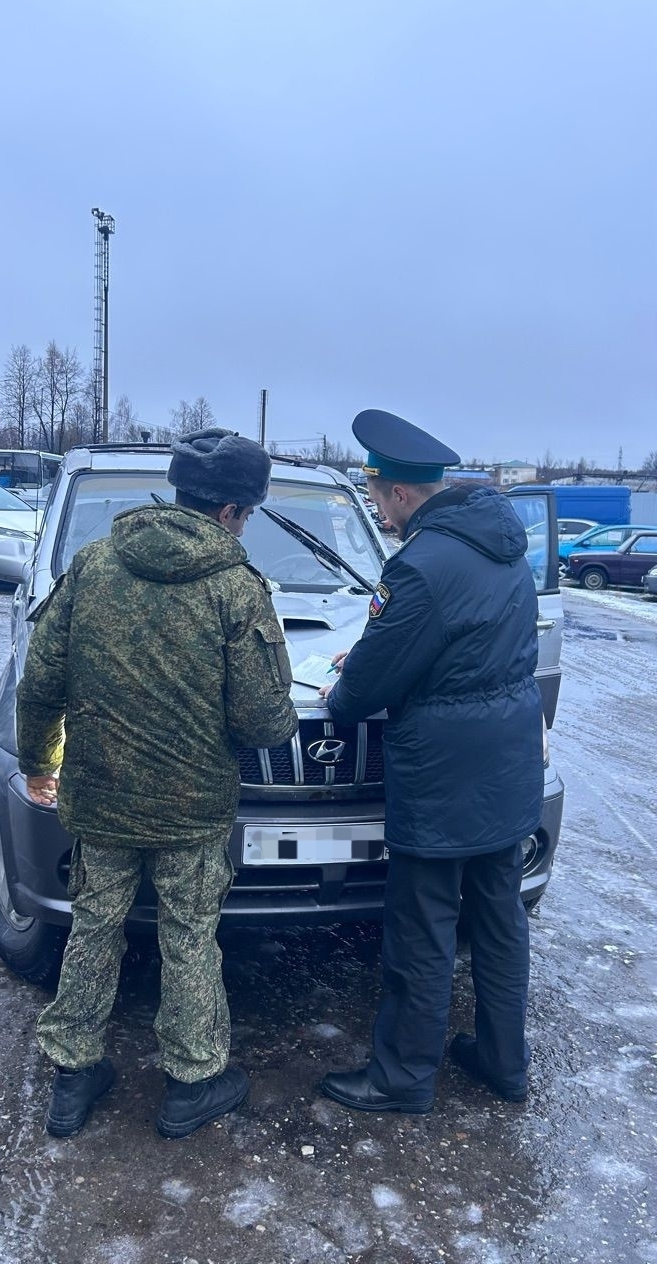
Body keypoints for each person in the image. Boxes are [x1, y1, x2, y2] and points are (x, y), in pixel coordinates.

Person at [17, 429, 298, 1139]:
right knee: (190, 939)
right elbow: (266, 723)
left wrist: (37, 763)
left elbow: (40, 681)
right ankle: (191, 1085)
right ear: (235, 510)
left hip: (101, 801)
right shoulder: (237, 589)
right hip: (192, 812)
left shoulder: (93, 565)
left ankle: (73, 1078)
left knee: (93, 930)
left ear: (179, 492)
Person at [320, 408, 544, 1114]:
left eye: (379, 499)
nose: (379, 514)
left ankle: (401, 1078)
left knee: (423, 926)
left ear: (401, 494)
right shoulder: (505, 547)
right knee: (500, 922)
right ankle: (504, 1064)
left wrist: (345, 680)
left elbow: (361, 696)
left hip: (443, 776)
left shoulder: (418, 565)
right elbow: (468, 646)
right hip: (507, 765)